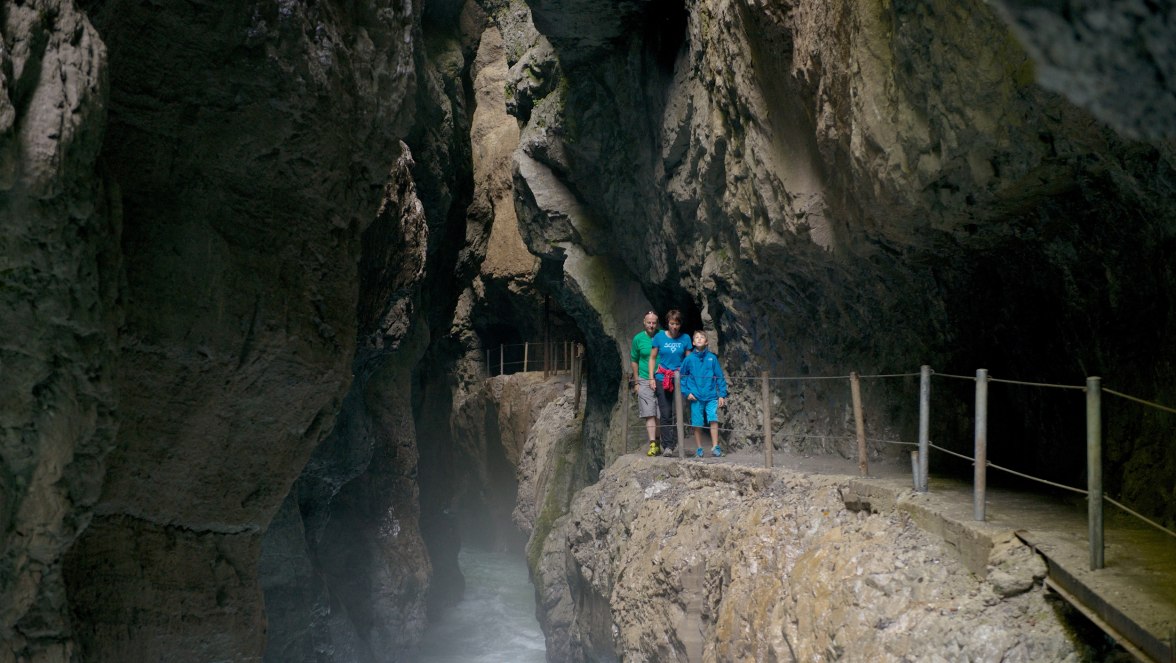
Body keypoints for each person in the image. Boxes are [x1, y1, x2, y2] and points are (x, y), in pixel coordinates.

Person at [680, 330, 728, 458]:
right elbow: (682, 377)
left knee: (713, 418)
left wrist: (722, 395)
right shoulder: (688, 359)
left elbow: (719, 376)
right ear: (693, 342)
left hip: (711, 395)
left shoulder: (712, 358)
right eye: (697, 337)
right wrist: (687, 393)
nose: (699, 339)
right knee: (697, 422)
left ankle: (715, 447)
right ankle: (699, 448)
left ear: (706, 342)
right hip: (695, 397)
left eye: (702, 337)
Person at [650, 309, 691, 456]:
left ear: (680, 324)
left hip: (679, 379)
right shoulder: (659, 337)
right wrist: (651, 377)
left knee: (678, 412)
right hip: (662, 378)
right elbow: (653, 358)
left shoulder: (685, 338)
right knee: (666, 412)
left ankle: (676, 443)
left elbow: (689, 360)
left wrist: (688, 379)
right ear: (668, 323)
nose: (674, 326)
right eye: (672, 323)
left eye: (677, 324)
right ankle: (667, 446)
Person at [630, 311, 661, 456]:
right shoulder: (638, 339)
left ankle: (660, 442)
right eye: (649, 322)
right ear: (644, 322)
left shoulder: (662, 336)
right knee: (649, 413)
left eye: (654, 322)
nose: (651, 325)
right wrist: (637, 382)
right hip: (644, 378)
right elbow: (634, 360)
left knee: (661, 414)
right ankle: (653, 444)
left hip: (662, 379)